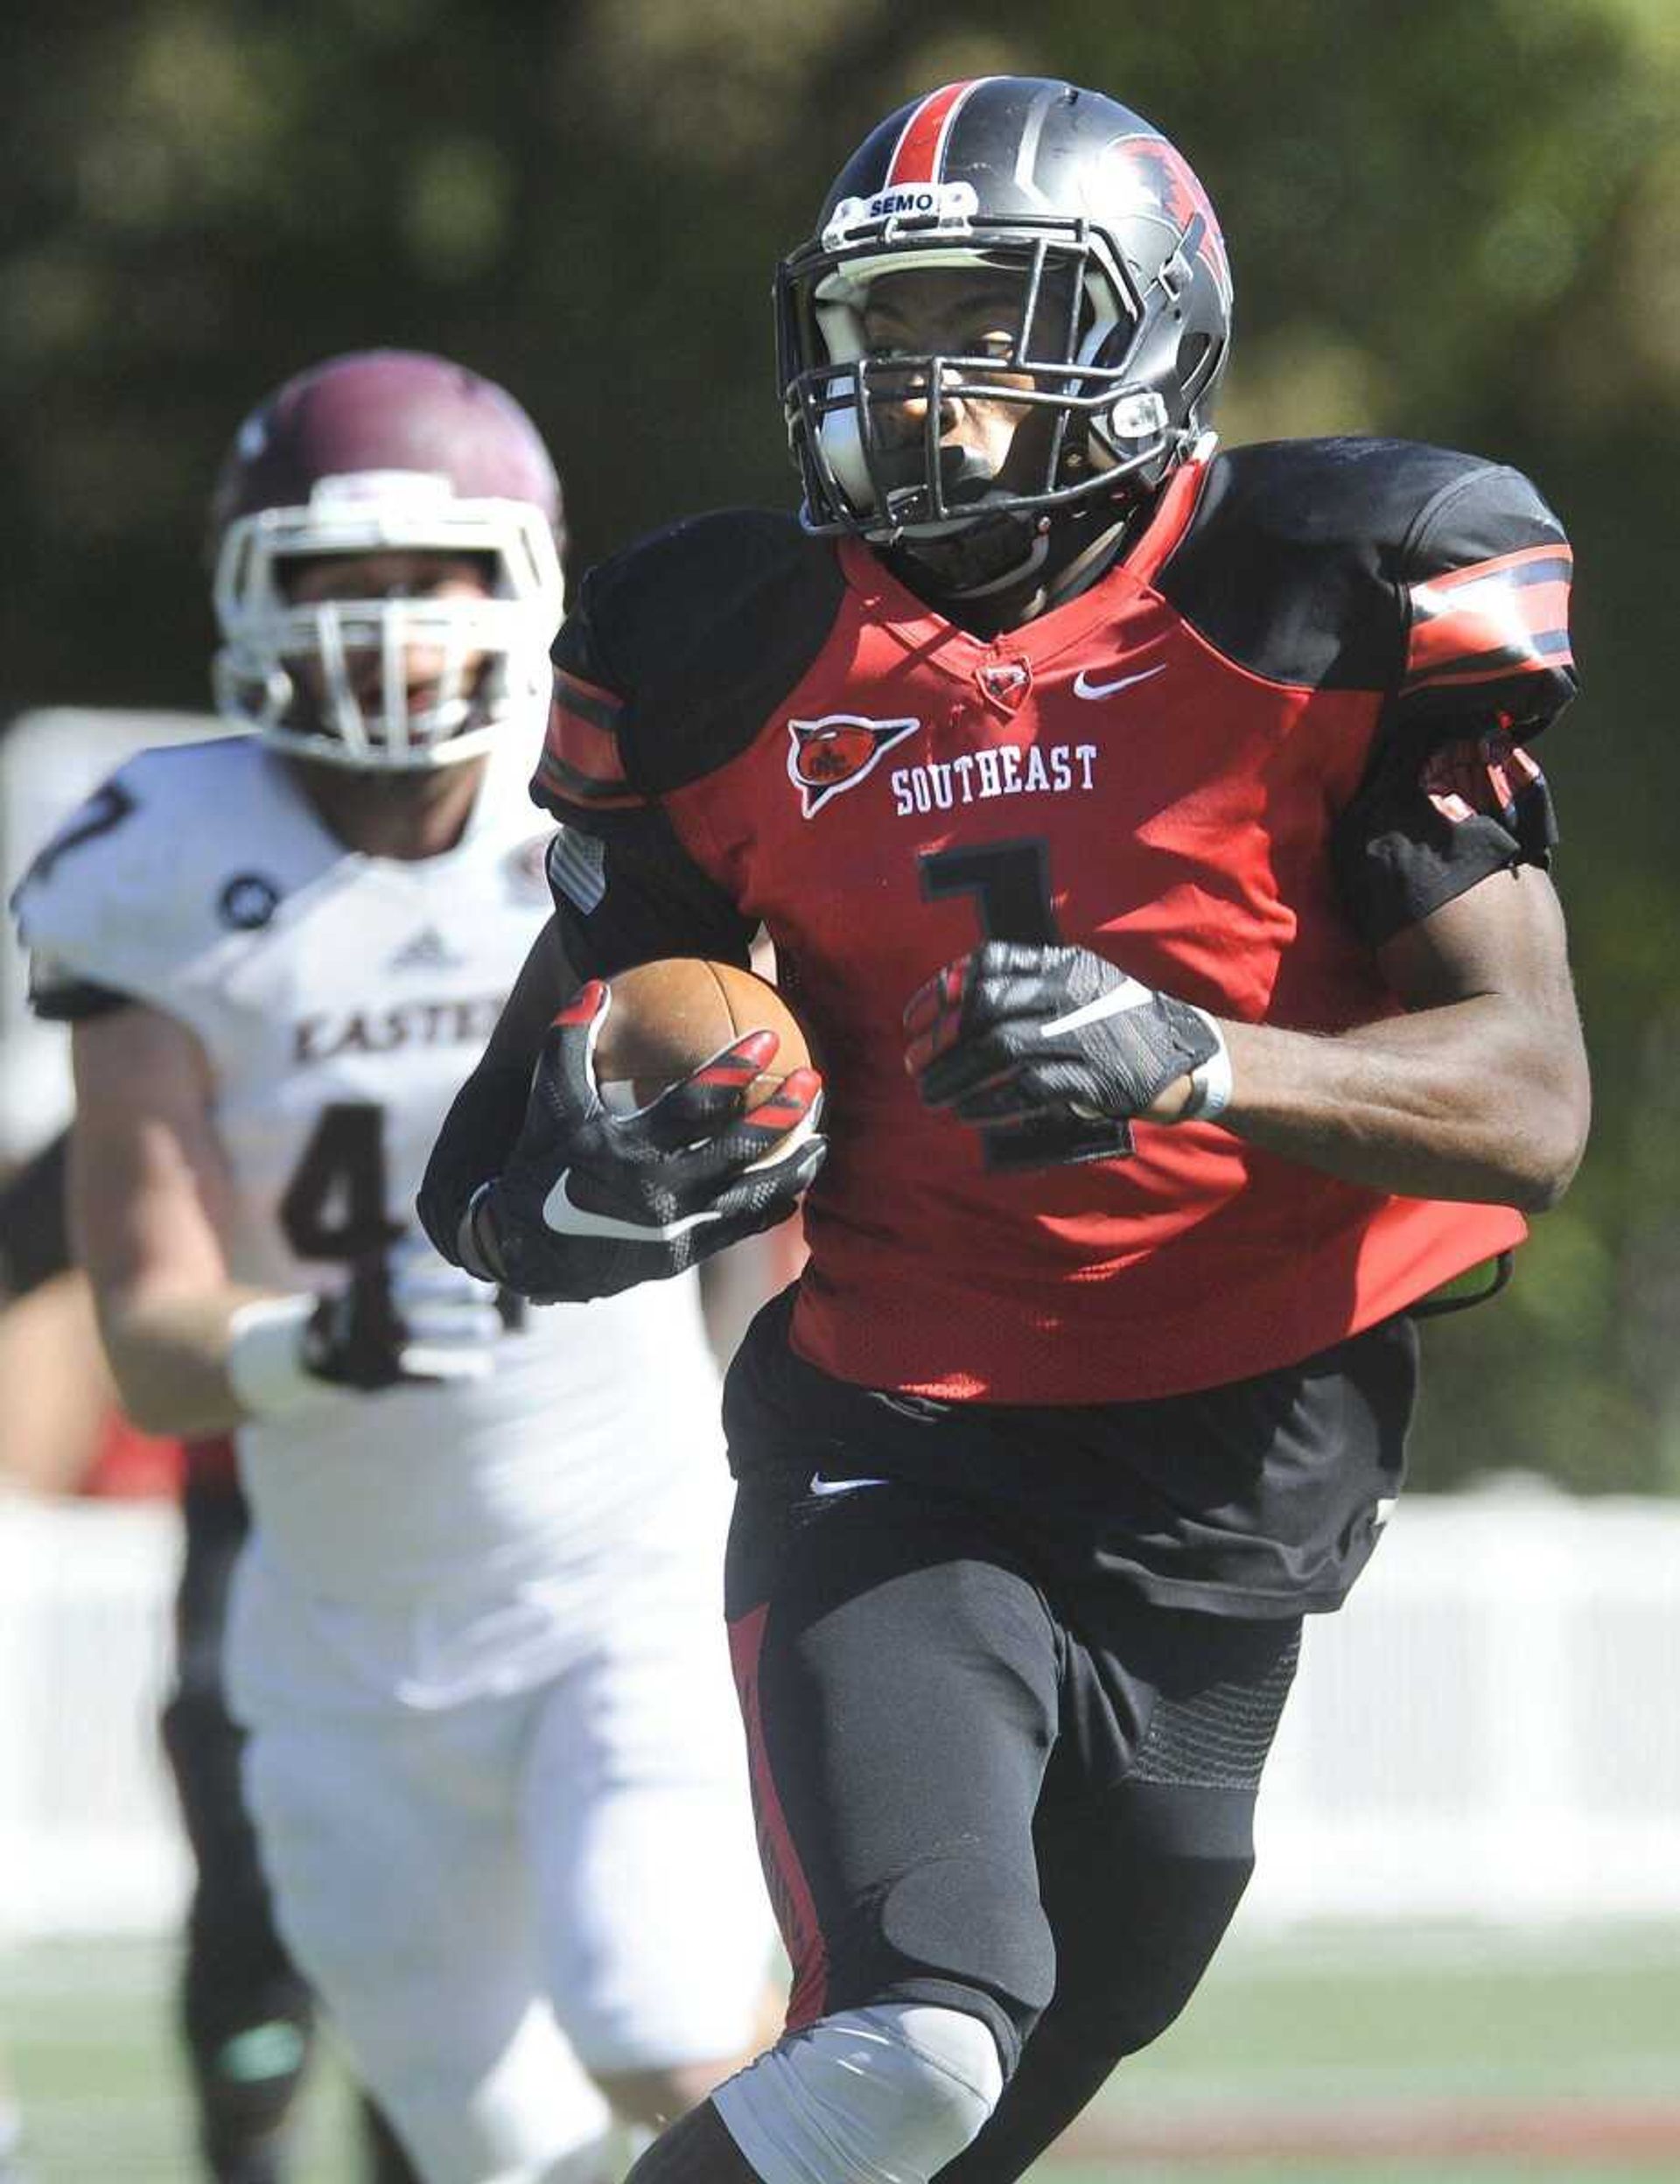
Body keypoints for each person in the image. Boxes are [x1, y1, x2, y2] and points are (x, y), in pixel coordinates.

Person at [417, 74, 1590, 2184]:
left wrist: (1198, 1057)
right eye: (888, 329)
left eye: (991, 318)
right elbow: (492, 1175)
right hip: (900, 1435)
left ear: (1151, 327)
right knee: (907, 2048)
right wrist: (603, 1184)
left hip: (1247, 1465)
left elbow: (1528, 1101)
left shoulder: (1333, 587)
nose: (924, 382)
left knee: (1005, 2085)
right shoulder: (717, 651)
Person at [12, 349, 775, 2184]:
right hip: (344, 1639)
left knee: (664, 2026)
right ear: (249, 590)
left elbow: (778, 1176)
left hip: (623, 1581)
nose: (382, 633)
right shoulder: (156, 865)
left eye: (427, 577)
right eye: (334, 582)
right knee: (492, 2145)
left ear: (521, 582)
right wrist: (315, 1342)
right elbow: (154, 1334)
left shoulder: (623, 815)